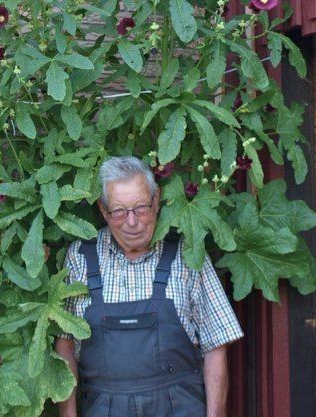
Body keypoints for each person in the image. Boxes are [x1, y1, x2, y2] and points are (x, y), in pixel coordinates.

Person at [55, 156, 243, 417]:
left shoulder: (186, 253)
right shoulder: (81, 258)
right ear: (103, 210)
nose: (132, 222)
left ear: (156, 202)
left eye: (141, 208)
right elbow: (65, 345)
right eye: (119, 211)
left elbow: (217, 343)